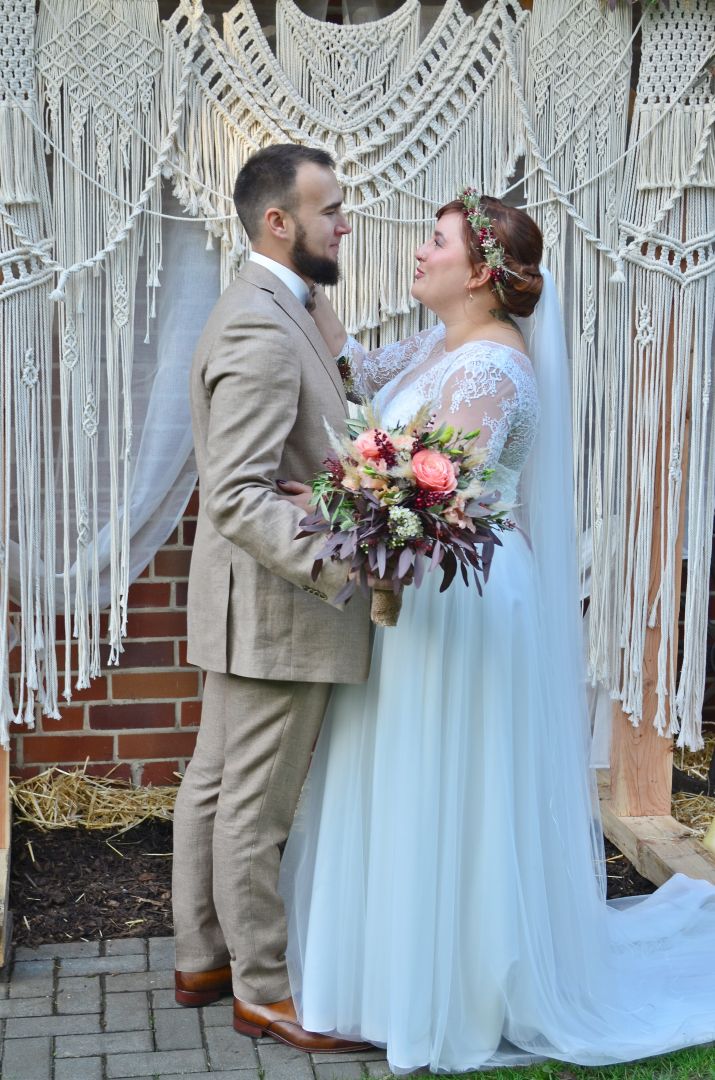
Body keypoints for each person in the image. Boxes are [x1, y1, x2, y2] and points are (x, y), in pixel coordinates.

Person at [278, 193, 715, 1073]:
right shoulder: (439, 349)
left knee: (450, 780)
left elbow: (437, 501)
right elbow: (354, 370)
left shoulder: (491, 370)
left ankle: (454, 992)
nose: (418, 253)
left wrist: (340, 502)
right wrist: (306, 268)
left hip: (461, 599)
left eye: (434, 243)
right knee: (399, 770)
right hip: (419, 596)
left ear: (478, 272)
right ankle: (380, 978)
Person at [172, 143, 372, 1055]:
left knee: (214, 788)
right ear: (277, 222)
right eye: (329, 209)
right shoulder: (258, 325)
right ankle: (262, 988)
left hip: (245, 603)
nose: (344, 223)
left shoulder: (287, 307)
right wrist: (347, 566)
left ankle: (202, 959)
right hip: (278, 609)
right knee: (255, 805)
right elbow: (241, 494)